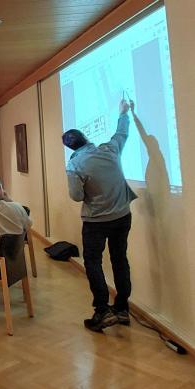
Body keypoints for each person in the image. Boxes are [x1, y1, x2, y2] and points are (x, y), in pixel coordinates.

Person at [64, 99, 137, 332]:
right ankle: (122, 308)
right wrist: (124, 112)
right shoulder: (110, 148)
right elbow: (121, 132)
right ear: (86, 137)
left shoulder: (75, 164)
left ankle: (102, 311)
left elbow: (76, 196)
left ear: (71, 148)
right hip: (123, 215)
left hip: (96, 221)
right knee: (120, 259)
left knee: (93, 262)